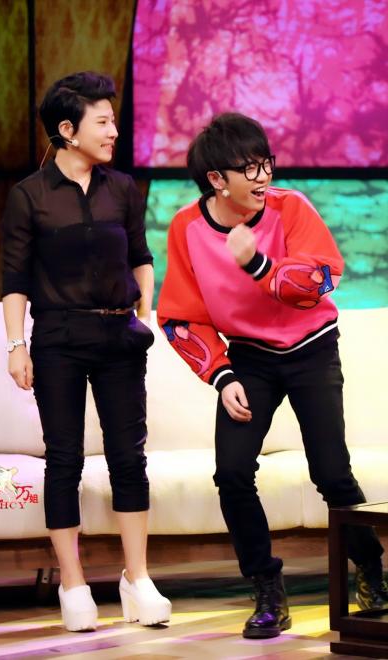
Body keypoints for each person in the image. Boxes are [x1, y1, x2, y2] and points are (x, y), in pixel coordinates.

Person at [157, 112, 387, 639]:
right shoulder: (187, 228)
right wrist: (222, 376)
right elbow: (180, 317)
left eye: (266, 163)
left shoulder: (291, 208)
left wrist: (258, 265)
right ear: (216, 179)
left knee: (332, 473)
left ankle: (371, 569)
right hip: (248, 359)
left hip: (312, 349)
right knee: (232, 473)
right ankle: (266, 588)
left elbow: (323, 277)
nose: (263, 177)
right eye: (249, 168)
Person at [2, 71, 171, 632]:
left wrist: (144, 307)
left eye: (114, 121)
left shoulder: (122, 188)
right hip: (59, 341)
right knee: (64, 459)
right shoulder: (29, 195)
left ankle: (137, 579)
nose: (114, 132)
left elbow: (141, 256)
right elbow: (15, 280)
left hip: (119, 338)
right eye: (103, 122)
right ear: (68, 130)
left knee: (129, 458)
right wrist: (16, 346)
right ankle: (73, 584)